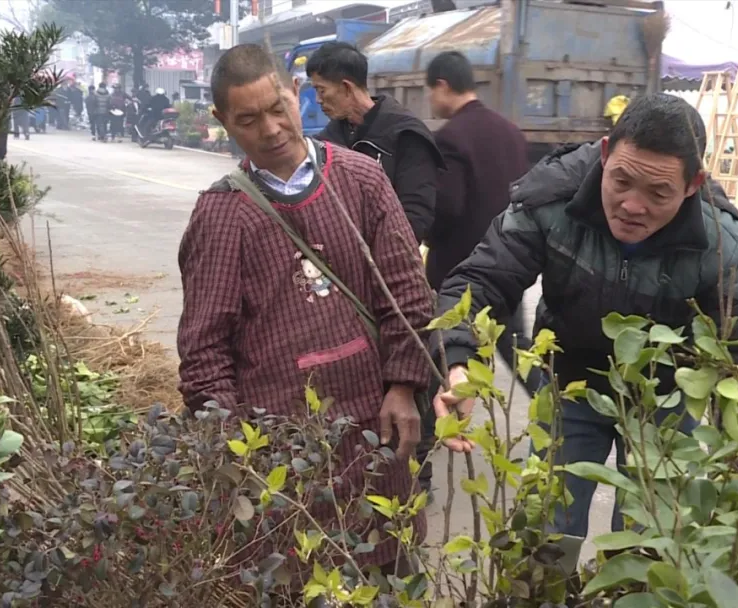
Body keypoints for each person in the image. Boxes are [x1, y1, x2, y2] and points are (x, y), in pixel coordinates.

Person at [431, 93, 738, 540]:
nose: (633, 206)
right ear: (605, 152)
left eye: (658, 192)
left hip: (665, 402)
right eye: (621, 181)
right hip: (569, 386)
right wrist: (457, 364)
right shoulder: (550, 199)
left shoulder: (722, 243)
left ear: (693, 184)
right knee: (546, 535)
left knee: (650, 543)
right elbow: (480, 281)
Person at [177, 43, 433, 575]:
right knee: (297, 578)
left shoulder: (362, 179)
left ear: (297, 94)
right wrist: (234, 453)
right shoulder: (223, 215)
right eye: (248, 120)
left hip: (374, 432)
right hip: (281, 453)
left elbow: (406, 294)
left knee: (389, 568)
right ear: (223, 122)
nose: (270, 129)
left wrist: (405, 387)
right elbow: (204, 350)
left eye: (277, 108)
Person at [414, 50, 533, 494]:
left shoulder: (451, 137)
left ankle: (423, 467)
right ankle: (560, 416)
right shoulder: (509, 132)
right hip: (510, 268)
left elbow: (448, 208)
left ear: (443, 85)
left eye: (431, 90)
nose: (431, 99)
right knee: (517, 350)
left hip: (460, 279)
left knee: (440, 364)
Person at [306, 41, 442, 243]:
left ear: (346, 87)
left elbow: (415, 216)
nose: (317, 99)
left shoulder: (406, 136)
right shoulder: (327, 141)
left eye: (321, 90)